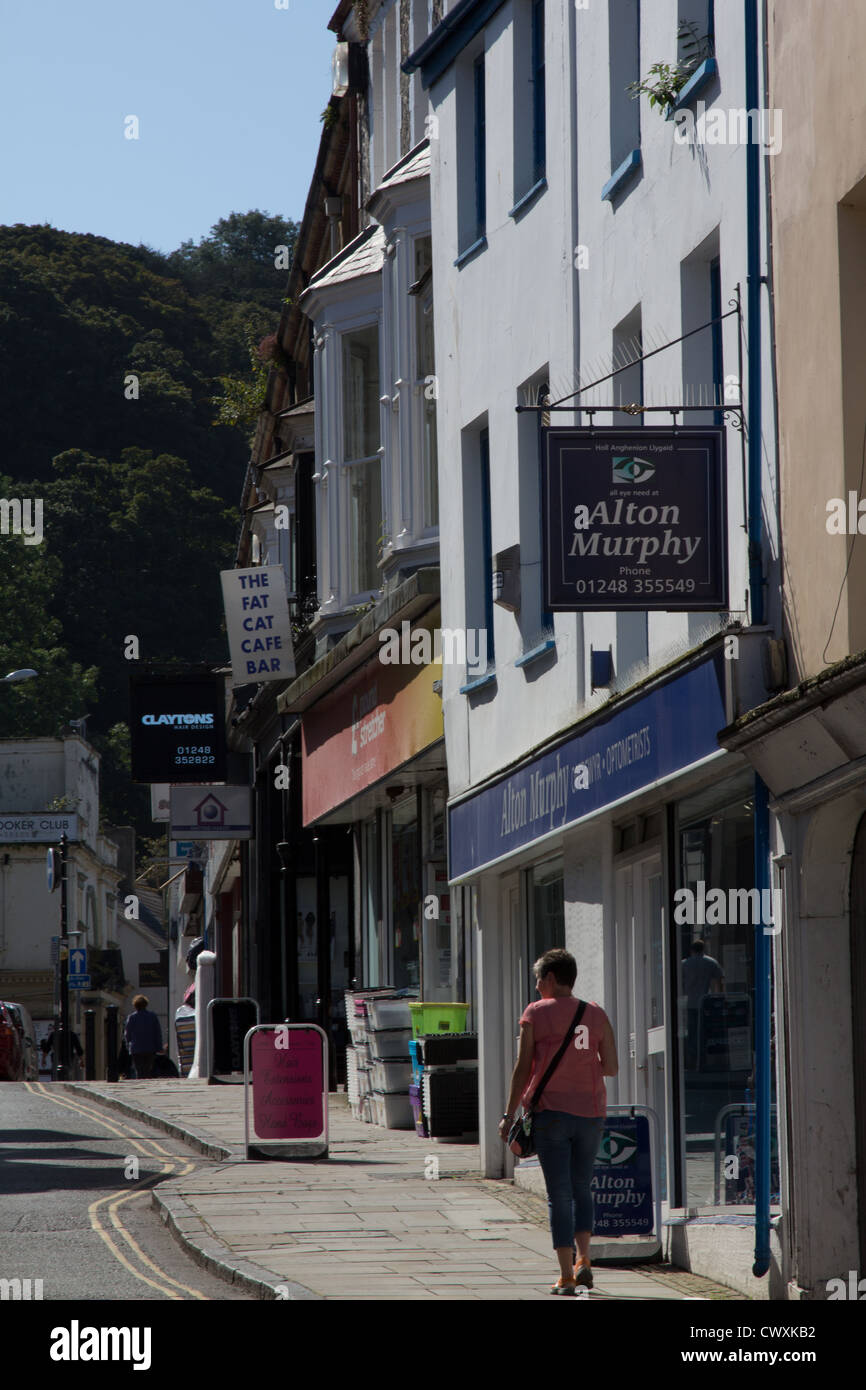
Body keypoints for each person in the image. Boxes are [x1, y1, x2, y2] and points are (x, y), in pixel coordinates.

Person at [499, 947, 618, 1295]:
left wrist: (509, 1115)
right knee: (583, 1187)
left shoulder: (535, 1013)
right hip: (592, 1113)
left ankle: (566, 1275)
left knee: (559, 1194)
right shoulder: (595, 1013)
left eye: (538, 979)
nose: (536, 986)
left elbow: (522, 1069)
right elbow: (611, 1066)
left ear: (551, 978)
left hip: (551, 1114)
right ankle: (584, 1259)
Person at [681, 939, 724, 1069]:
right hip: (706, 1003)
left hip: (690, 1003)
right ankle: (703, 1060)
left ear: (691, 950)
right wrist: (719, 997)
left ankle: (692, 1061)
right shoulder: (711, 962)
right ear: (703, 949)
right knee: (704, 1032)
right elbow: (719, 981)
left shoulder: (684, 964)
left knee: (692, 1032)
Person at [123, 995, 163, 1079]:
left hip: (136, 1048)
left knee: (139, 1069)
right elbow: (157, 1033)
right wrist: (159, 1047)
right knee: (148, 1069)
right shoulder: (152, 1016)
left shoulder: (132, 1017)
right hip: (150, 1048)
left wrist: (128, 1044)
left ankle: (141, 1082)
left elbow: (127, 1034)